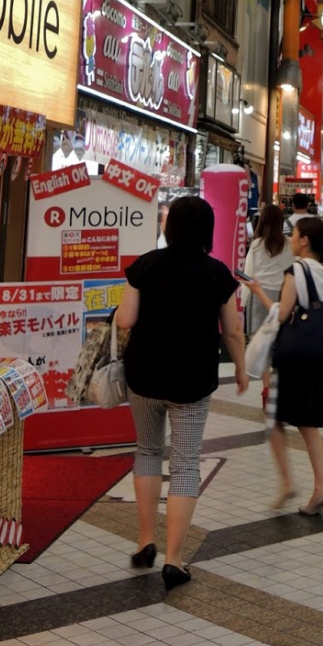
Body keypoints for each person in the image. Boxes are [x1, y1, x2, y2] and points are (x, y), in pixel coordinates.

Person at [116, 195, 246, 590]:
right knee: (186, 464)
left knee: (147, 451)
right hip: (192, 381)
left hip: (144, 377)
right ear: (207, 231)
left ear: (169, 226)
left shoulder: (146, 265)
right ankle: (174, 559)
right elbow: (233, 329)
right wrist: (241, 368)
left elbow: (126, 319)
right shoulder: (217, 274)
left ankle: (144, 540)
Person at [245, 216, 323, 516]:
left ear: (305, 240)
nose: (292, 239)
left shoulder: (296, 270)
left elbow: (282, 313)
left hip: (296, 353)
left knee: (273, 417)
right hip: (322, 350)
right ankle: (320, 487)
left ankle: (288, 482)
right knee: (308, 421)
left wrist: (258, 291)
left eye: (295, 234)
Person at [242, 203, 291, 412]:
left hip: (260, 298)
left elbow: (248, 273)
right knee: (281, 343)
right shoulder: (289, 244)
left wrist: (243, 304)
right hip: (283, 297)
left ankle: (266, 388)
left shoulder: (256, 245)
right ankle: (279, 388)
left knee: (263, 346)